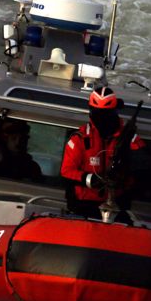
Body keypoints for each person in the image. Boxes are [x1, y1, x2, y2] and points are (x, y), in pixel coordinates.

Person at [60, 86, 143, 220]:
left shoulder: (130, 139)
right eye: (97, 113)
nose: (101, 118)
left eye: (106, 114)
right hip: (83, 206)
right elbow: (67, 171)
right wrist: (90, 180)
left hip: (118, 207)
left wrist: (124, 173)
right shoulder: (80, 139)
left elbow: (141, 168)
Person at [0, 117, 43, 182]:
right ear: (6, 140)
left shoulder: (32, 167)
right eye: (13, 138)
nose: (18, 142)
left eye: (22, 139)